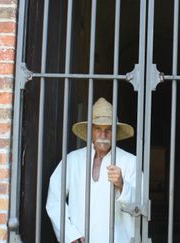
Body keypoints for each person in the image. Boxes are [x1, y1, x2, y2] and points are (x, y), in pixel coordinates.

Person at [46, 97, 137, 243]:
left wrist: (122, 185)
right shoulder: (72, 160)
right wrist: (70, 235)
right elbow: (54, 200)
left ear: (115, 132)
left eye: (108, 129)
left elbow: (140, 206)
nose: (103, 135)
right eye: (98, 129)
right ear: (90, 131)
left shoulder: (130, 162)